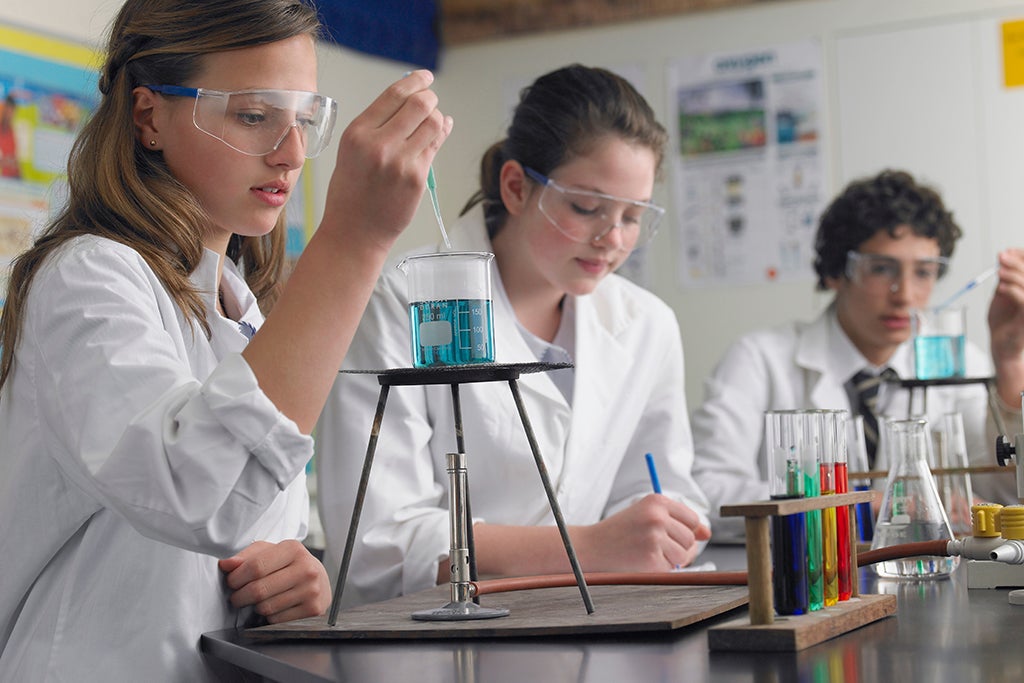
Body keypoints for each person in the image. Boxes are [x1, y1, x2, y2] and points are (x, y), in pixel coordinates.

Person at [0, 0, 452, 679]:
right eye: (253, 115)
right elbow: (194, 491)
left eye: (303, 119)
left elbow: (245, 520)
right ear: (148, 115)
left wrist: (299, 580)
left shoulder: (245, 313)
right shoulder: (88, 277)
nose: (292, 152)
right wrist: (355, 239)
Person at [316, 64, 711, 609]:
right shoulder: (402, 301)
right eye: (587, 207)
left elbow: (659, 488)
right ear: (517, 187)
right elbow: (377, 543)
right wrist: (588, 547)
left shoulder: (648, 324)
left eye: (633, 216)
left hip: (597, 623)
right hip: (435, 642)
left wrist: (663, 529)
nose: (613, 239)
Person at [691, 169, 1024, 538]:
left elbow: (1007, 495)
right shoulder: (759, 360)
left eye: (925, 272)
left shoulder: (961, 363)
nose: (905, 294)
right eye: (881, 269)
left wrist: (1010, 363)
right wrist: (855, 504)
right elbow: (707, 491)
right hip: (804, 580)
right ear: (837, 270)